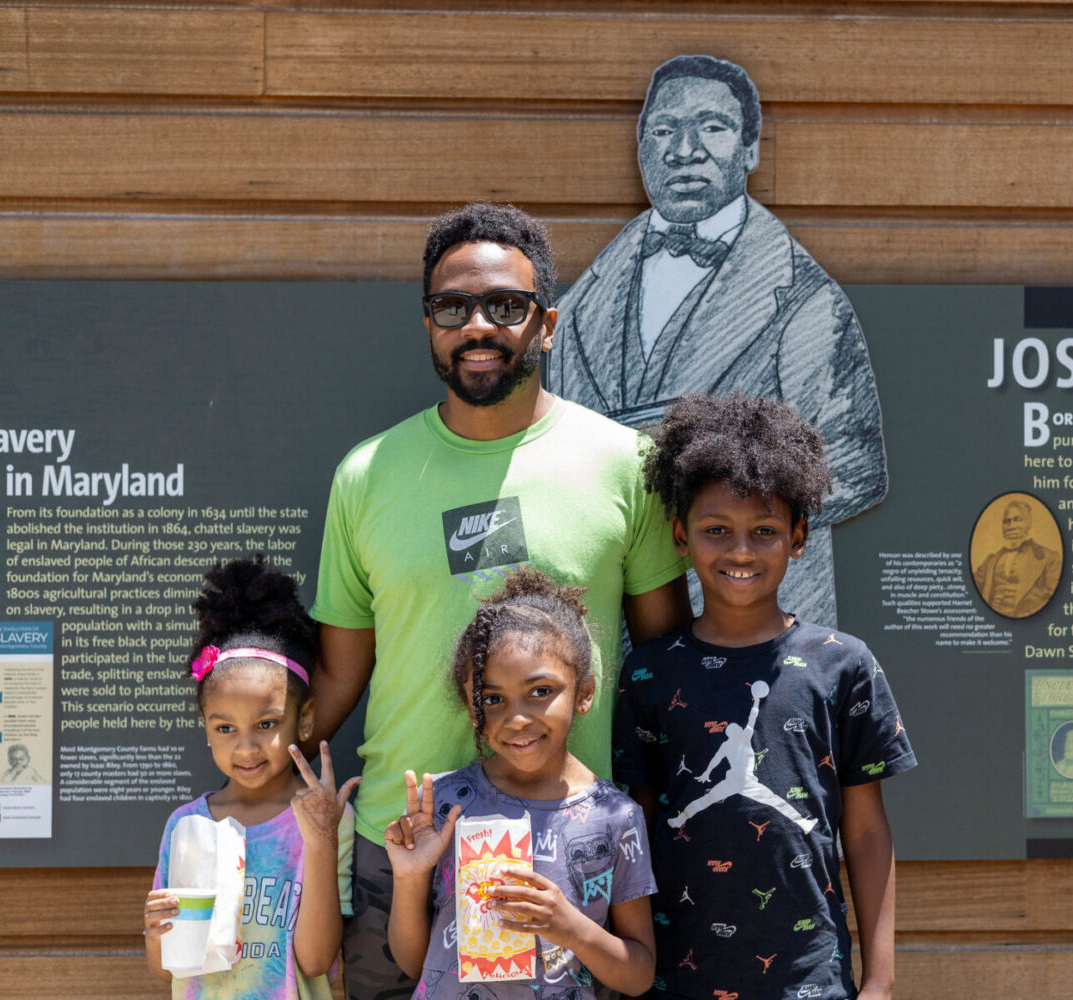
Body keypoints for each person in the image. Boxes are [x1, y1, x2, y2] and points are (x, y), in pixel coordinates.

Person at [309, 203, 689, 999]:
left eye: (505, 306)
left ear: (545, 324)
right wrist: (250, 760)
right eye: (454, 307)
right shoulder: (365, 475)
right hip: (403, 844)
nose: (478, 324)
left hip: (574, 846)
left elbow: (664, 663)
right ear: (428, 325)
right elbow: (338, 679)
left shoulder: (625, 467)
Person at [547, 54, 887, 628]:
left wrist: (722, 518)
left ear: (750, 149)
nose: (684, 150)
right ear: (641, 148)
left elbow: (856, 466)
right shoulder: (583, 300)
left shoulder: (805, 297)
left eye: (711, 126)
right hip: (610, 631)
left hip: (752, 640)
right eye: (662, 130)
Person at [614, 393, 915, 1000]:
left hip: (809, 974)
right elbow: (636, 831)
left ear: (799, 537)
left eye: (766, 531)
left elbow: (864, 832)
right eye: (716, 530)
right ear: (680, 535)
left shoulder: (843, 664)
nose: (741, 551)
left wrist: (879, 981)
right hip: (679, 977)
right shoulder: (648, 673)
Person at [384, 568, 656, 999]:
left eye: (540, 691)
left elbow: (639, 974)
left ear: (584, 693)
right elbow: (413, 962)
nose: (517, 718)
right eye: (493, 699)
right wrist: (411, 877)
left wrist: (571, 929)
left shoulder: (616, 818)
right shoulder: (445, 805)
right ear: (473, 709)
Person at [144, 553, 357, 999]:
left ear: (304, 719)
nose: (245, 747)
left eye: (266, 724)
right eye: (225, 728)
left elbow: (318, 962)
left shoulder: (323, 817)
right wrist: (157, 931)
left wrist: (320, 841)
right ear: (206, 728)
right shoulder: (188, 825)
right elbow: (166, 968)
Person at [973, 498, 1062, 618]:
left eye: (1017, 519)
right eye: (1006, 521)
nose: (1011, 526)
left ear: (1028, 523)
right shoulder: (991, 561)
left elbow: (1055, 602)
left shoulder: (1049, 559)